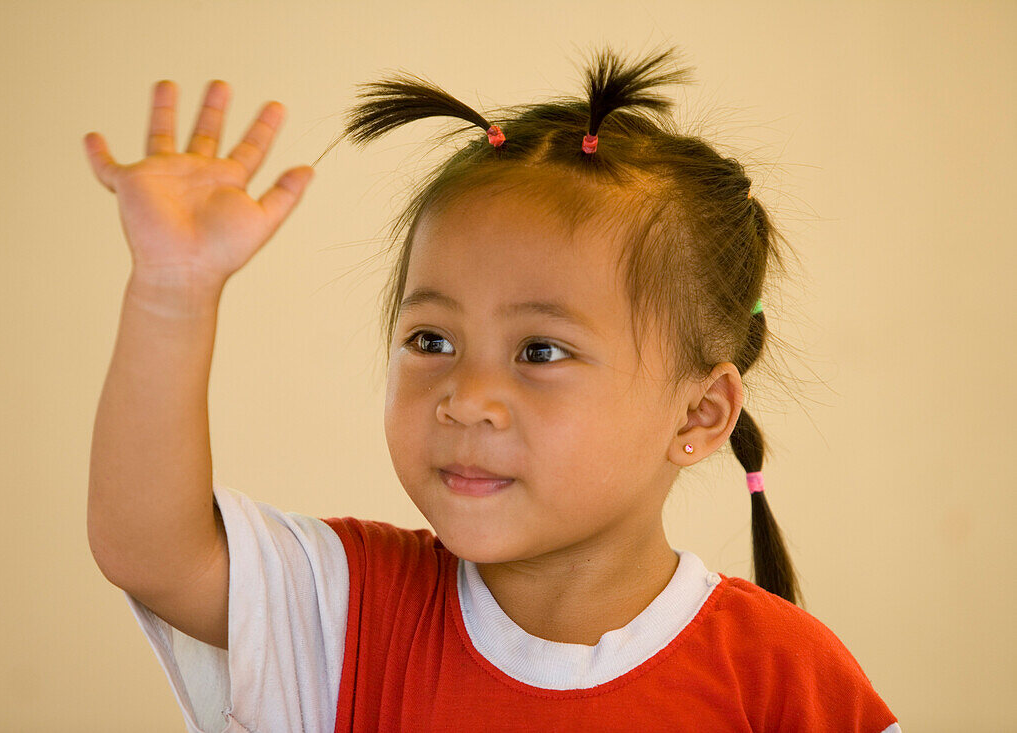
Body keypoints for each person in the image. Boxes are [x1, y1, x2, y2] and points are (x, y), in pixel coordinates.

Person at [84, 45, 901, 732]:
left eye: (540, 350)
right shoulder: (353, 609)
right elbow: (150, 550)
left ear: (698, 413)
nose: (466, 396)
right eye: (431, 340)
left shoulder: (782, 676)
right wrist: (171, 290)